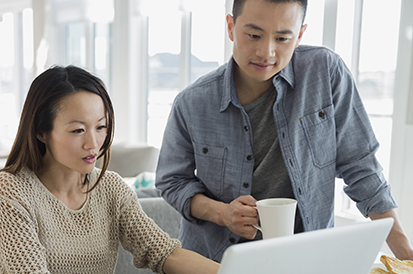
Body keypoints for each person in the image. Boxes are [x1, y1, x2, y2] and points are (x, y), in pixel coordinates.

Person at [155, 0, 413, 262]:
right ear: (231, 27)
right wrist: (222, 213)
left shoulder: (325, 72)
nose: (266, 52)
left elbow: (361, 167)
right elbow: (172, 181)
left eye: (282, 38)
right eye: (254, 35)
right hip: (217, 260)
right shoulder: (192, 102)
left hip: (308, 258)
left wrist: (406, 255)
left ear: (299, 35)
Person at [0, 65, 220, 273]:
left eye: (101, 127)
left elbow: (163, 253)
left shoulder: (111, 188)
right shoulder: (9, 190)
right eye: (78, 130)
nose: (93, 144)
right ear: (41, 132)